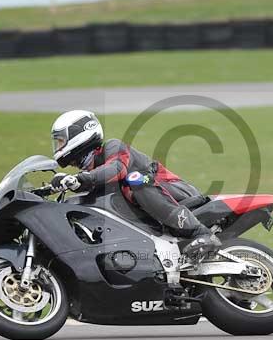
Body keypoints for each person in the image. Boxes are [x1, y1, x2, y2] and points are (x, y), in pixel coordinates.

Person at [48, 109, 221, 258]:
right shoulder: (90, 175)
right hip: (153, 210)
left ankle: (201, 233)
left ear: (78, 135)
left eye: (61, 140)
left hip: (177, 193)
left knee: (136, 179)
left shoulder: (113, 147)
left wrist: (80, 179)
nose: (58, 146)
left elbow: (116, 169)